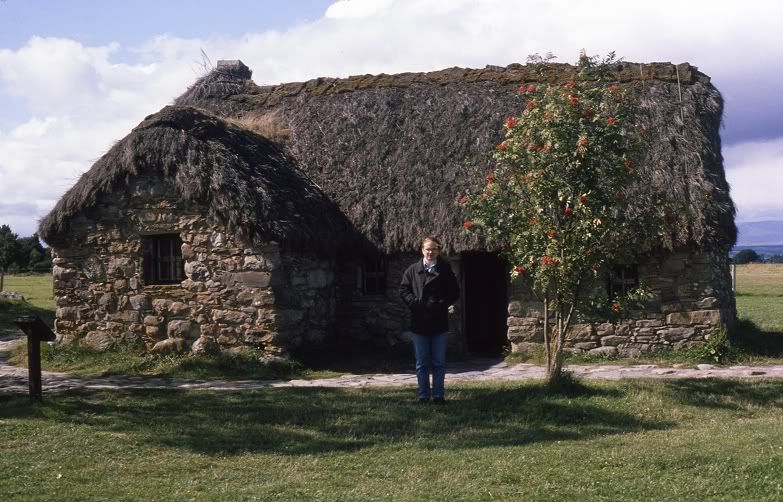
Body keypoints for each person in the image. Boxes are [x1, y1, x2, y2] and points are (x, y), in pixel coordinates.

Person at [399, 236, 460, 403]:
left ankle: (439, 395)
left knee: (439, 362)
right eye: (428, 249)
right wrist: (415, 303)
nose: (431, 252)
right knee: (422, 363)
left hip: (439, 322)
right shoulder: (412, 270)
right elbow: (403, 290)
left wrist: (441, 303)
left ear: (438, 250)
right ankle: (424, 395)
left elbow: (455, 292)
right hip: (420, 322)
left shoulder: (445, 269)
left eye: (434, 249)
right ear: (422, 250)